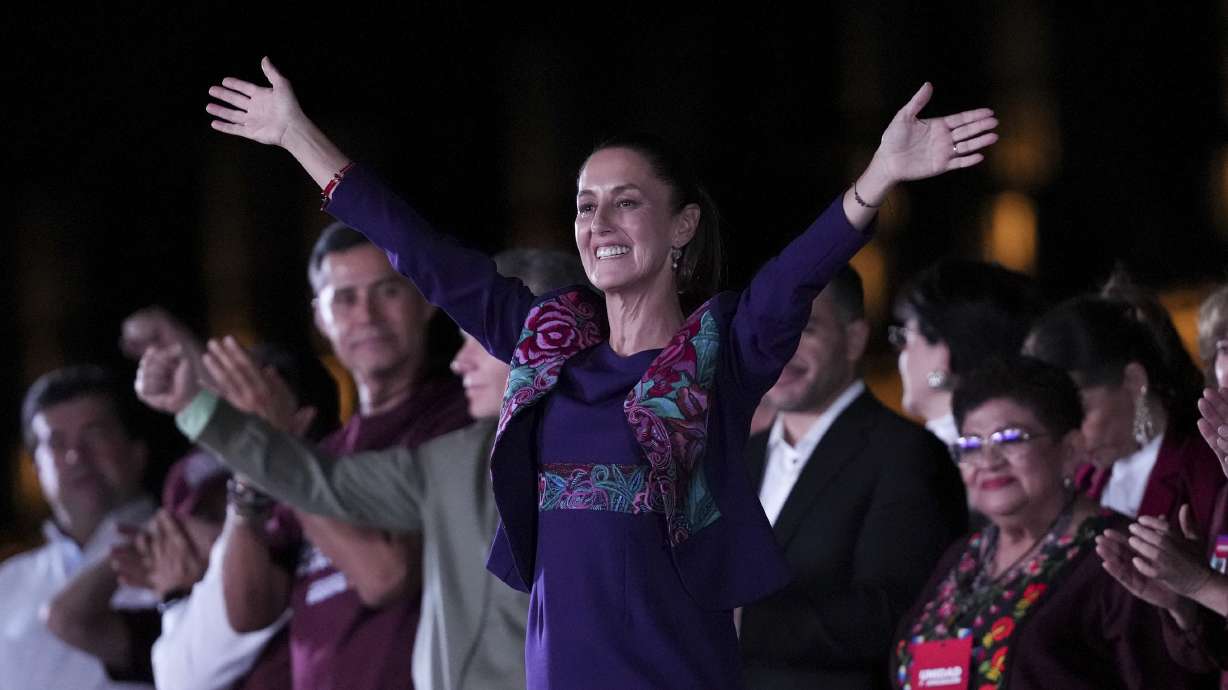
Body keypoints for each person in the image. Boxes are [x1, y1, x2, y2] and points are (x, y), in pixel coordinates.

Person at [197, 56, 998, 688]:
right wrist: (299, 136)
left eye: (626, 202)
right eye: (584, 204)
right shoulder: (546, 342)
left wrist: (877, 179)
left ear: (682, 224)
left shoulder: (718, 354)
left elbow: (791, 277)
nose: (598, 222)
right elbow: (425, 255)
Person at [140, 248, 584, 690]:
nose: (367, 315)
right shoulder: (421, 455)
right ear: (319, 315)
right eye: (345, 298)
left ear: (424, 300)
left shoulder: (460, 426)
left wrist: (270, 443)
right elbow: (248, 611)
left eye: (387, 290)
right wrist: (200, 409)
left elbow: (384, 576)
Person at [891, 356, 1216, 689]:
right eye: (971, 445)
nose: (988, 461)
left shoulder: (1119, 558)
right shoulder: (963, 556)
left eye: (1010, 439)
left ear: (1071, 449)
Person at [739, 266, 966, 690]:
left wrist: (741, 621)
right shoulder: (739, 460)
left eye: (804, 330)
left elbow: (893, 613)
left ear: (855, 338)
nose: (779, 349)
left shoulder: (905, 454)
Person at [2, 365, 155, 690]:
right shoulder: (8, 584)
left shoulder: (187, 554)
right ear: (35, 469)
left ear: (137, 450)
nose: (76, 455)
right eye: (56, 443)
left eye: (95, 434)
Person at [1024, 296, 1225, 530]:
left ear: (1133, 380)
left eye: (1078, 413)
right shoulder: (1081, 480)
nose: (1071, 439)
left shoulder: (1207, 468)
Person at [890, 259, 1043, 447]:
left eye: (904, 338)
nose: (900, 354)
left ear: (941, 354)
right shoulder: (1028, 441)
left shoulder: (929, 461)